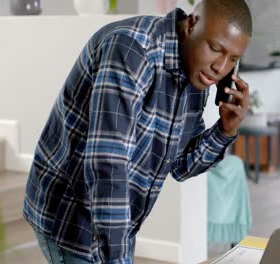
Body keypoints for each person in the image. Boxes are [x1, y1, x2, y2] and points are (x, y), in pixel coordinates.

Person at [23, 0, 252, 263]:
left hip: (113, 219)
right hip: (69, 215)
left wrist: (225, 130)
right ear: (191, 24)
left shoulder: (196, 73)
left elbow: (181, 166)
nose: (221, 67)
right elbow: (107, 165)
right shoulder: (131, 50)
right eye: (215, 48)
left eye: (233, 59)